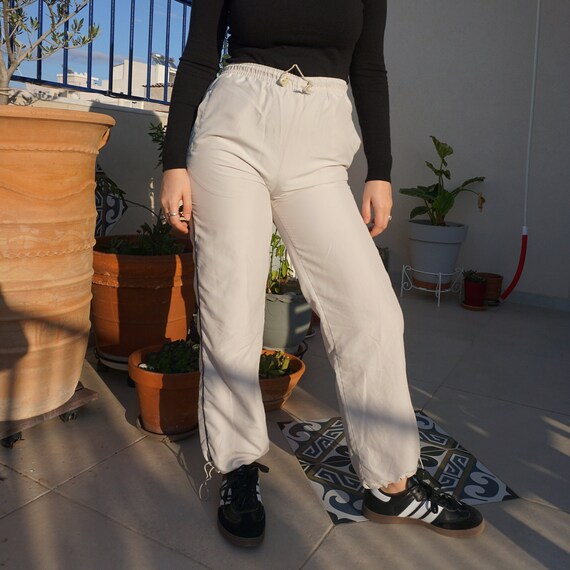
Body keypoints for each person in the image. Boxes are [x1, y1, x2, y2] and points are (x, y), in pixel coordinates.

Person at [160, 0, 484, 547]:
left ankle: (390, 483)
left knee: (371, 312)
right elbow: (198, 56)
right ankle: (238, 466)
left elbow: (369, 67)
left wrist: (380, 171)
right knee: (231, 312)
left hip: (320, 146)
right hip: (233, 134)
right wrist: (173, 161)